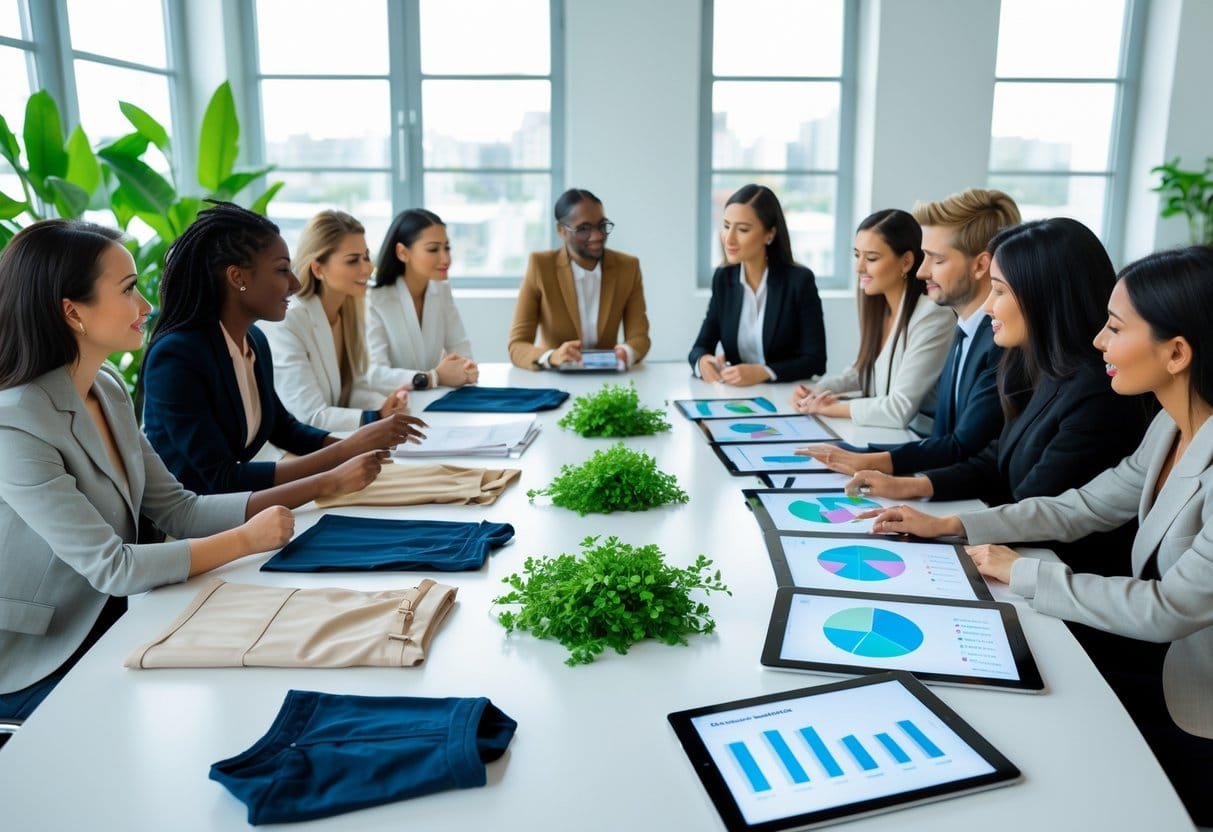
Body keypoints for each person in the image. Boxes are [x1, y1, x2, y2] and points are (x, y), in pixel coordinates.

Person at [862, 246, 1213, 825]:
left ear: (1176, 352)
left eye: (1116, 328)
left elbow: (1172, 607)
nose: (1099, 340)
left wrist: (1021, 570)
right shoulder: (1168, 425)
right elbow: (1086, 504)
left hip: (1200, 716)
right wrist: (957, 524)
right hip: (1173, 675)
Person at [0, 219, 295, 721]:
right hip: (39, 656)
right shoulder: (16, 423)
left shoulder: (107, 386)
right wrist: (248, 538)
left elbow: (178, 509)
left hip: (120, 621)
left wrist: (300, 506)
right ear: (72, 311)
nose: (146, 307)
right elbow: (113, 566)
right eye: (129, 290)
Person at [845, 218, 1150, 573]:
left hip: (1060, 578)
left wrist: (946, 524)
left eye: (999, 291)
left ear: (1044, 297)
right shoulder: (1041, 368)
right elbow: (995, 460)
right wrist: (908, 487)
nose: (988, 305)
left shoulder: (1098, 394)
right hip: (1020, 559)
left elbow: (1032, 505)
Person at [142, 203, 424, 503]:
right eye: (281, 270)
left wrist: (358, 444)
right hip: (189, 529)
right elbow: (219, 478)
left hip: (237, 510)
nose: (295, 283)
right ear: (238, 278)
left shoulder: (254, 341)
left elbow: (283, 428)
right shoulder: (176, 357)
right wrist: (345, 452)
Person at [800, 188, 1019, 473]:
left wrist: (874, 463)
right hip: (934, 469)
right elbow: (949, 440)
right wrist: (822, 395)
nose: (921, 271)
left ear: (980, 265)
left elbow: (961, 447)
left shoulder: (988, 339)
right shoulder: (965, 329)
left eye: (937, 260)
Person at [791, 209, 953, 430]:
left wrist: (830, 407)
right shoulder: (882, 309)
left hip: (916, 440)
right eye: (857, 255)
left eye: (872, 258)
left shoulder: (933, 316)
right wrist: (818, 391)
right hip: (884, 434)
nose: (859, 267)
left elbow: (899, 409)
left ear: (906, 262)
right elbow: (863, 372)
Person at [263, 210, 417, 430]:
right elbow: (310, 416)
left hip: (337, 441)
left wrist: (386, 405)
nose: (367, 268)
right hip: (293, 453)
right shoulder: (289, 322)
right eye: (353, 260)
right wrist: (374, 416)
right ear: (318, 268)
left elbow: (351, 389)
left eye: (366, 256)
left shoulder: (349, 309)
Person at [688, 184, 826, 385]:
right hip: (736, 398)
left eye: (742, 229)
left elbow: (816, 361)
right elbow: (700, 347)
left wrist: (764, 372)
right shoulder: (724, 279)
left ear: (769, 234)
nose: (729, 238)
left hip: (785, 398)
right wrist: (703, 362)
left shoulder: (799, 281)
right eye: (726, 226)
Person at [508, 188, 650, 370]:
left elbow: (640, 337)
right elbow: (517, 345)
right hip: (555, 378)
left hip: (608, 379)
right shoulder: (541, 267)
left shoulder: (627, 267)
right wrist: (552, 357)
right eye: (584, 229)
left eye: (601, 225)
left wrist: (626, 352)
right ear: (561, 230)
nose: (598, 236)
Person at [366, 209, 478, 392]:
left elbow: (462, 351)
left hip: (430, 402)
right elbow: (375, 374)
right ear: (402, 253)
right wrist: (433, 377)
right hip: (389, 407)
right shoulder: (374, 300)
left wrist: (468, 370)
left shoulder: (441, 290)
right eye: (433, 249)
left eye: (447, 248)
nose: (446, 259)